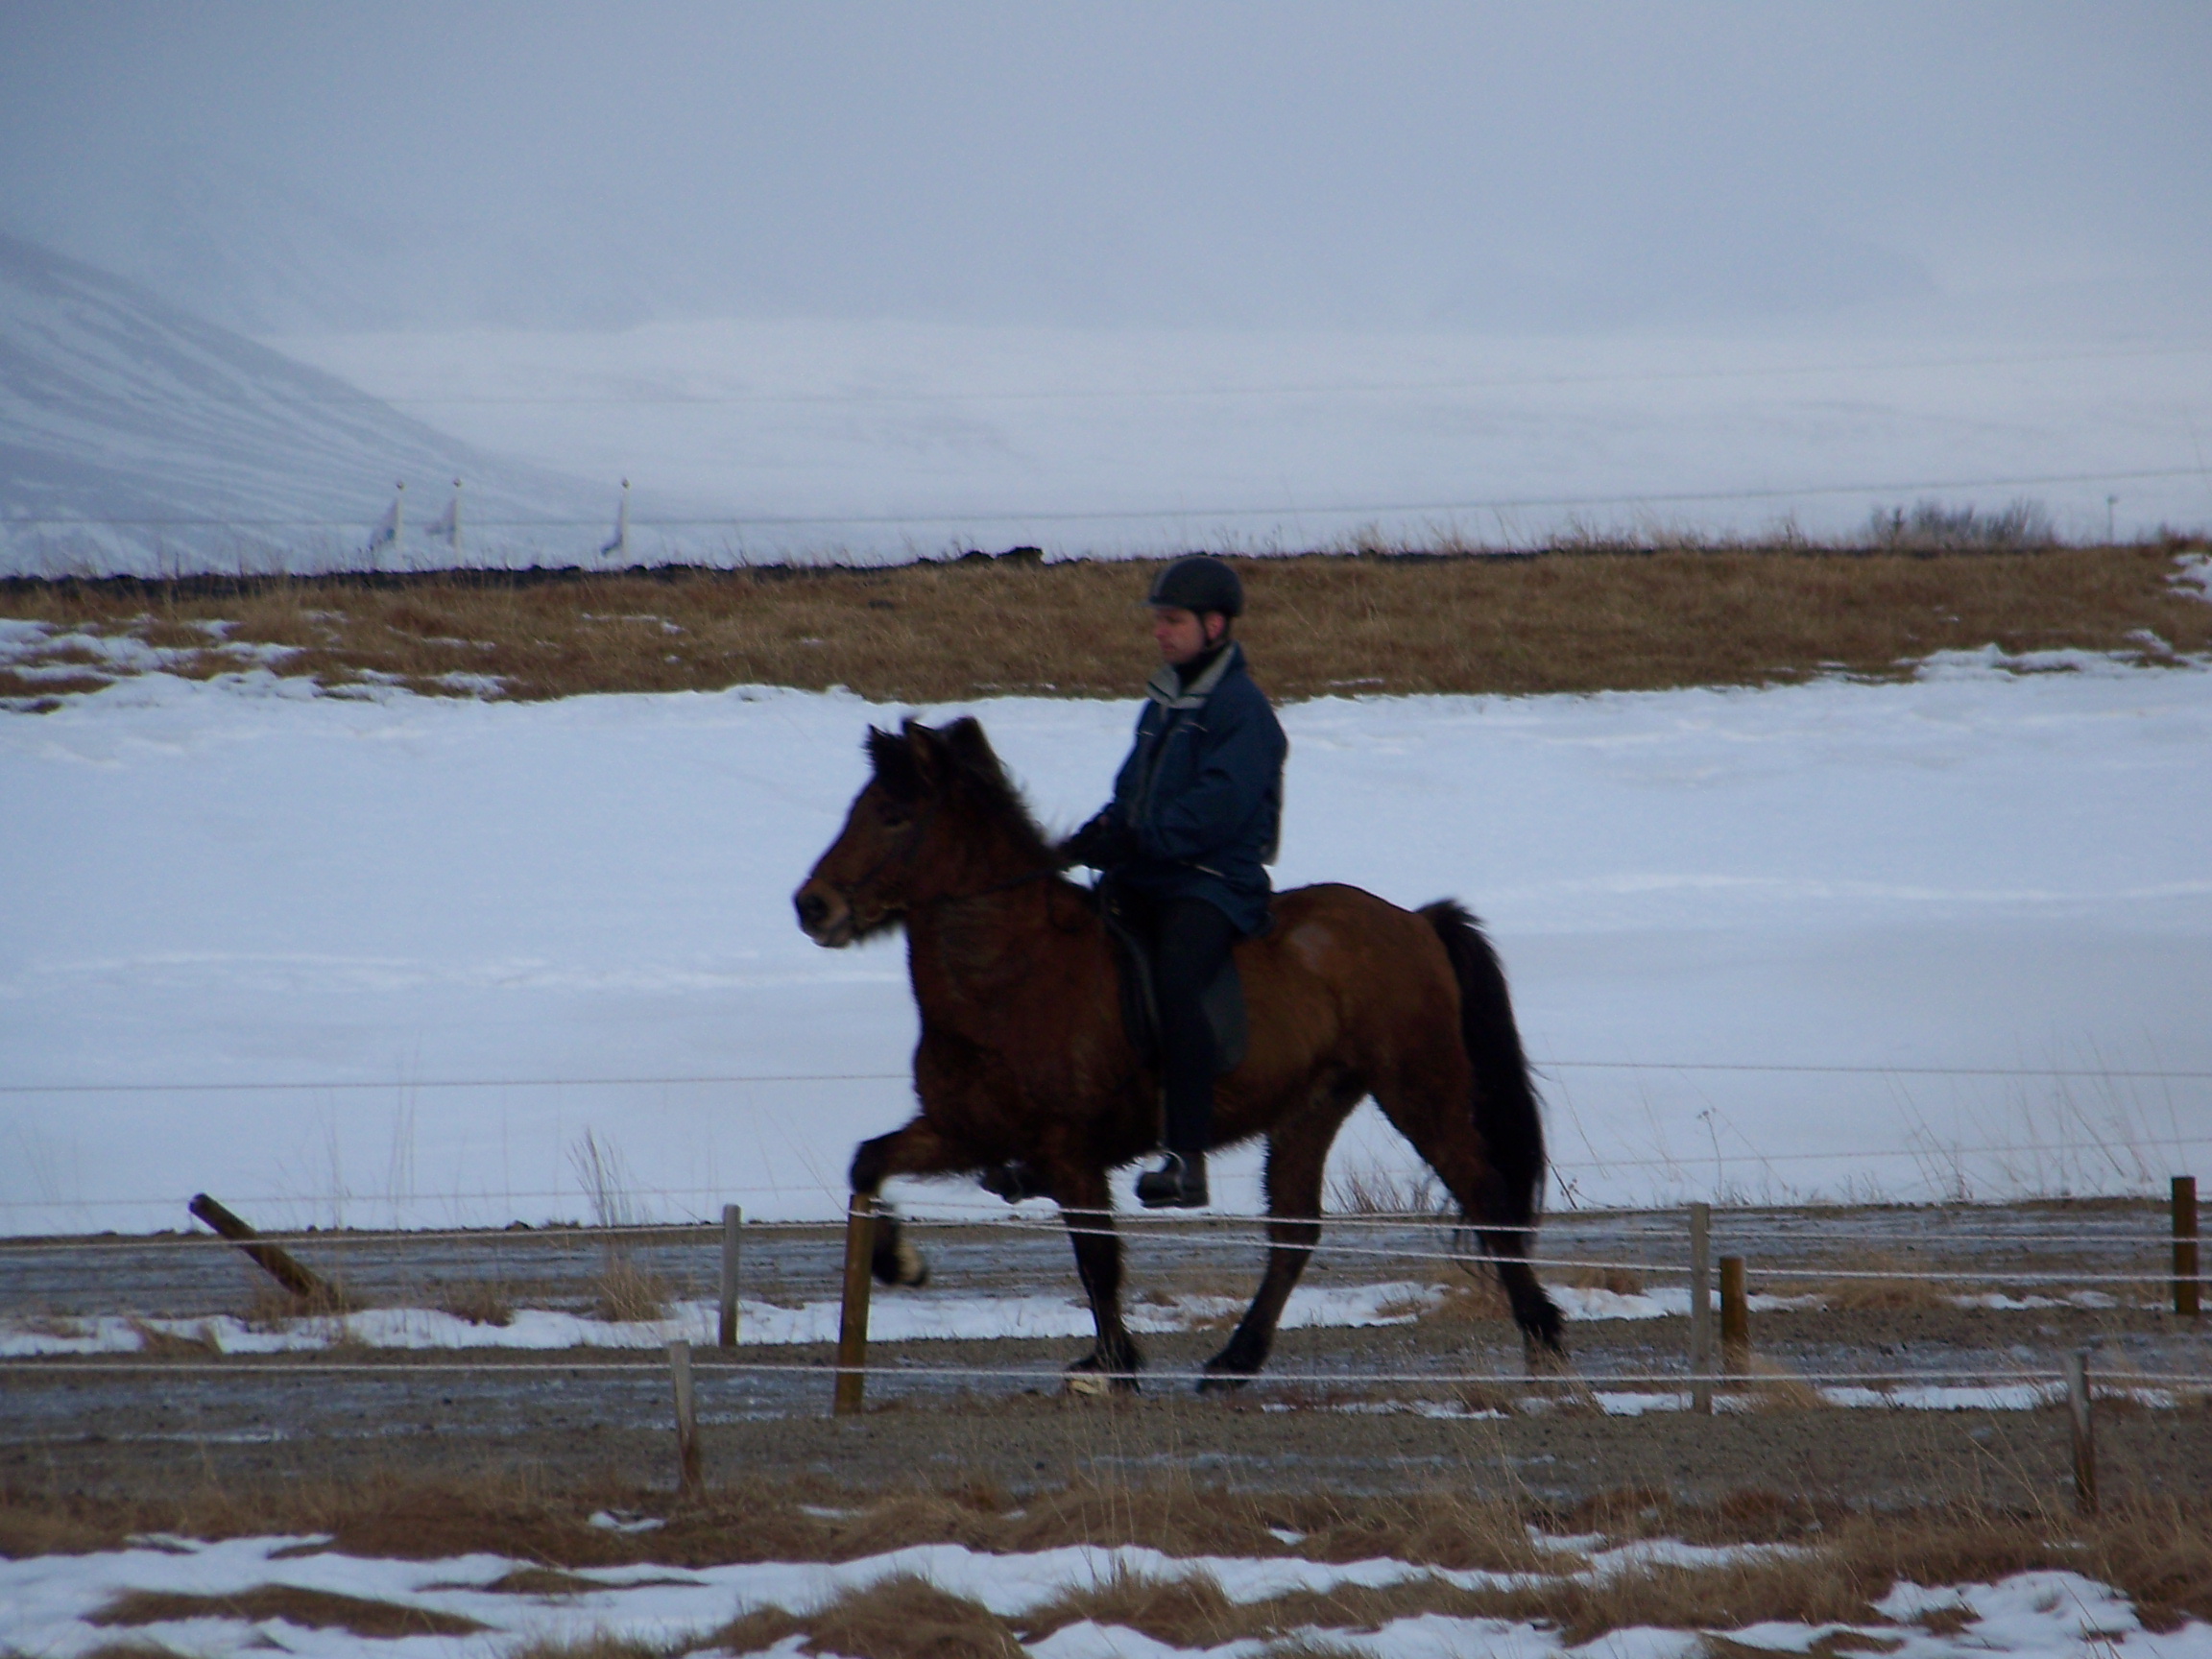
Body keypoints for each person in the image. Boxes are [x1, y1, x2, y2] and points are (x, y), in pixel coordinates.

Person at [1059, 554, 1287, 1208]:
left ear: (1214, 626)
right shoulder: (1163, 702)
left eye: (1173, 620)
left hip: (1211, 882)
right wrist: (1098, 833)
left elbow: (1219, 806)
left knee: (1175, 980)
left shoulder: (1242, 709)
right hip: (1151, 873)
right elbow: (1133, 791)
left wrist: (1141, 839)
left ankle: (1187, 1157)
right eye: (1158, 620)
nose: (1159, 631)